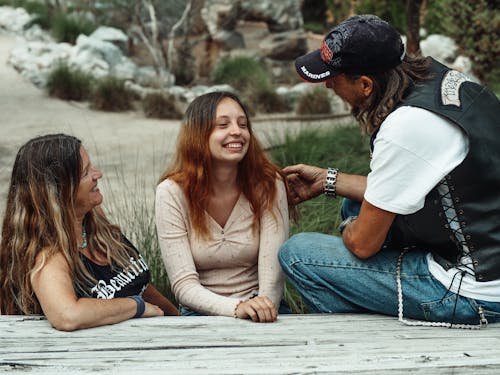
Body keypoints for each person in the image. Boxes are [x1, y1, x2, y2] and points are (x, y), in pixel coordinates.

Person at [278, 14, 500, 328]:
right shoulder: (443, 82)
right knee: (352, 202)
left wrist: (350, 228)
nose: (328, 85)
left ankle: (360, 339)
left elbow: (362, 244)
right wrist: (329, 180)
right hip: (489, 257)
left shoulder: (405, 126)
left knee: (298, 254)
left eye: (334, 77)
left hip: (473, 291)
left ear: (366, 84)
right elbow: (408, 181)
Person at [0, 134, 178, 331]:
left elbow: (140, 287)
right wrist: (137, 306)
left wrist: (179, 322)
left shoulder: (99, 232)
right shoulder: (48, 256)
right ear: (57, 193)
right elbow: (67, 315)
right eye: (85, 172)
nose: (98, 174)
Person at [155, 91, 292, 322]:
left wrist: (261, 310)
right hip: (200, 313)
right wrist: (237, 308)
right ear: (198, 134)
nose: (237, 131)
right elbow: (184, 286)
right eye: (223, 124)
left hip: (264, 307)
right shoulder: (171, 192)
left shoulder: (269, 184)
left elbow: (273, 278)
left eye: (243, 124)